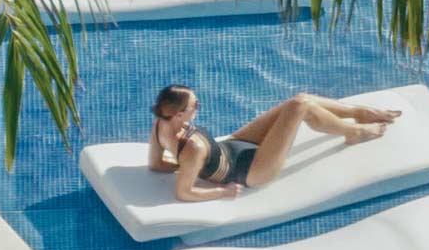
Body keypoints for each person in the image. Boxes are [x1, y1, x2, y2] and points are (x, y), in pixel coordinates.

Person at [146, 84, 402, 202]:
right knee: (300, 107)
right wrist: (221, 191)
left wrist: (183, 165)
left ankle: (357, 112)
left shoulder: (160, 124)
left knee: (299, 99)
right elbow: (183, 192)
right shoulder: (194, 148)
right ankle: (353, 131)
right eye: (195, 105)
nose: (198, 107)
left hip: (233, 146)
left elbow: (156, 165)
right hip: (251, 170)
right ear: (179, 114)